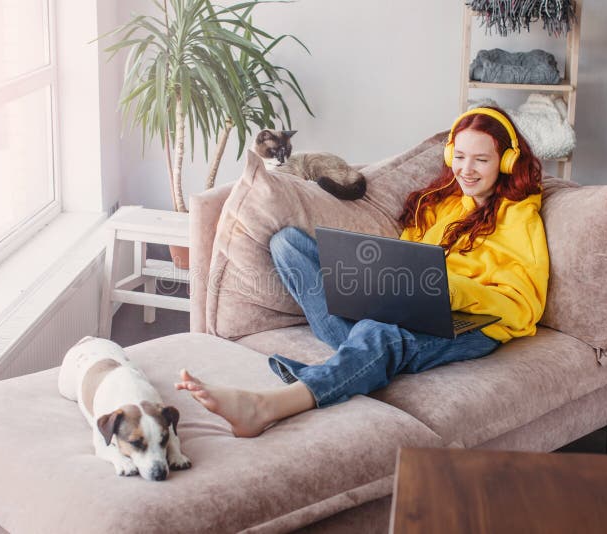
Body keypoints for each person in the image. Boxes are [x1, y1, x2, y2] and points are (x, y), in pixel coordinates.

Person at [175, 107, 549, 437]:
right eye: (461, 156)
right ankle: (363, 354)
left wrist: (450, 291)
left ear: (505, 162)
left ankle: (268, 405)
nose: (466, 169)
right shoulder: (442, 203)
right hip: (416, 307)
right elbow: (409, 260)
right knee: (287, 244)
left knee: (378, 332)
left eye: (481, 160)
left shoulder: (520, 216)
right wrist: (379, 279)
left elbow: (523, 305)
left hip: (474, 323)